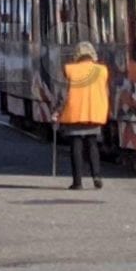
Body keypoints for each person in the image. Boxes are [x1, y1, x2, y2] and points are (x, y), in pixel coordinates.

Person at [53, 41, 110, 190]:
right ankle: (96, 176)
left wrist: (57, 112)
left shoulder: (69, 70)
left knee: (76, 146)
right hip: (95, 112)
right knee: (92, 144)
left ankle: (77, 182)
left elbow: (62, 94)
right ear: (93, 54)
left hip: (74, 112)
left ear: (76, 55)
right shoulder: (102, 70)